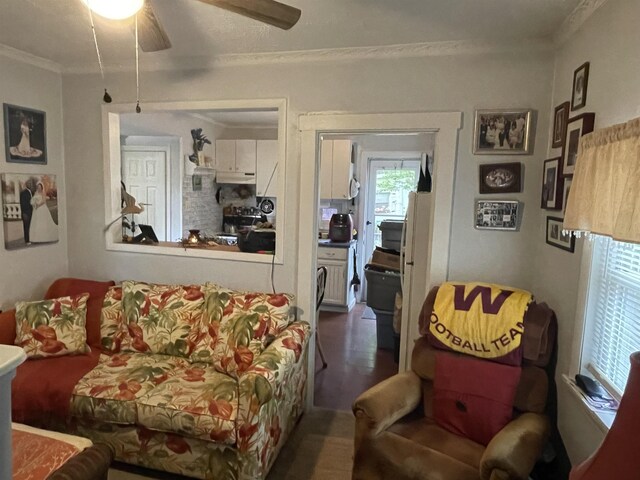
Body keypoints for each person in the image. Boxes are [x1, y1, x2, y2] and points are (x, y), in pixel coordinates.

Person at [19, 179, 35, 245]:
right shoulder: (22, 193)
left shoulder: (31, 192)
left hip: (32, 212)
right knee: (26, 227)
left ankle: (32, 238)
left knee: (31, 226)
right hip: (25, 212)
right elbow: (22, 204)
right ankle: (27, 241)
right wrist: (24, 213)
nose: (30, 185)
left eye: (30, 184)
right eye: (28, 183)